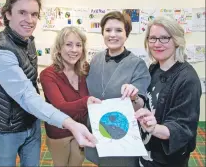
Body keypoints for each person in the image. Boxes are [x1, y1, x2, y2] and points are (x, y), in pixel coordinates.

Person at [0, 0, 97, 167]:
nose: (29, 20)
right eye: (22, 12)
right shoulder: (0, 51)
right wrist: (71, 124)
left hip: (31, 123)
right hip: (6, 130)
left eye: (34, 14)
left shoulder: (28, 41)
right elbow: (26, 95)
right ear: (7, 14)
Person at [85, 11, 151, 167]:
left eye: (119, 30)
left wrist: (134, 95)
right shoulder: (96, 59)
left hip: (122, 134)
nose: (112, 35)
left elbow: (140, 103)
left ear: (126, 34)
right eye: (108, 30)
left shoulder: (137, 64)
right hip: (97, 129)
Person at [135, 16, 202, 167]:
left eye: (164, 38)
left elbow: (183, 129)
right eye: (152, 38)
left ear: (177, 41)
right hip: (146, 154)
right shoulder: (153, 68)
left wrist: (154, 128)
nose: (157, 44)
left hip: (167, 161)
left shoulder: (187, 79)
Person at [40, 26, 101, 167]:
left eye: (78, 45)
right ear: (59, 48)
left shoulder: (85, 69)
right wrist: (86, 102)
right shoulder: (48, 75)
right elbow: (60, 107)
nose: (74, 50)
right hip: (59, 132)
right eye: (69, 44)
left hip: (82, 129)